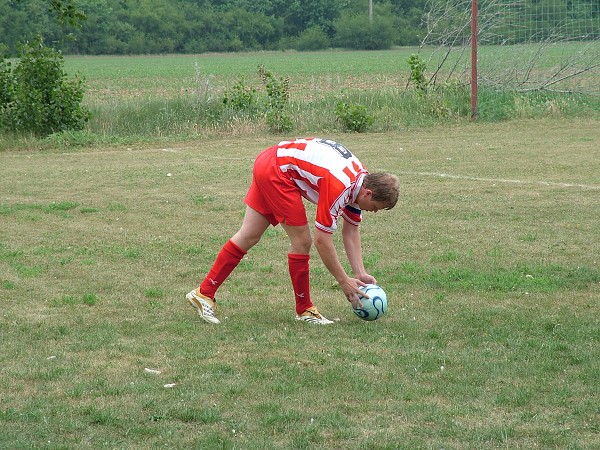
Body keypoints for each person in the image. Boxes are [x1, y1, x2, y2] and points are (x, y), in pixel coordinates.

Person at [186, 137, 399, 325]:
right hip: (278, 172)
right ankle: (305, 309)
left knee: (249, 234)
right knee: (302, 241)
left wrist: (359, 273)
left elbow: (351, 230)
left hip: (270, 159)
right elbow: (322, 240)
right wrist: (344, 281)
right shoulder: (341, 185)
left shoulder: (359, 182)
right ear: (368, 193)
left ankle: (204, 293)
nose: (373, 212)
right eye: (374, 208)